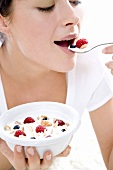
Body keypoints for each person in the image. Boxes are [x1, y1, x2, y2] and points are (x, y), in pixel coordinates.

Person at [0, 0, 113, 170]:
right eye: (46, 7)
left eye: (75, 1)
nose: (73, 17)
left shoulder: (89, 65)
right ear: (3, 22)